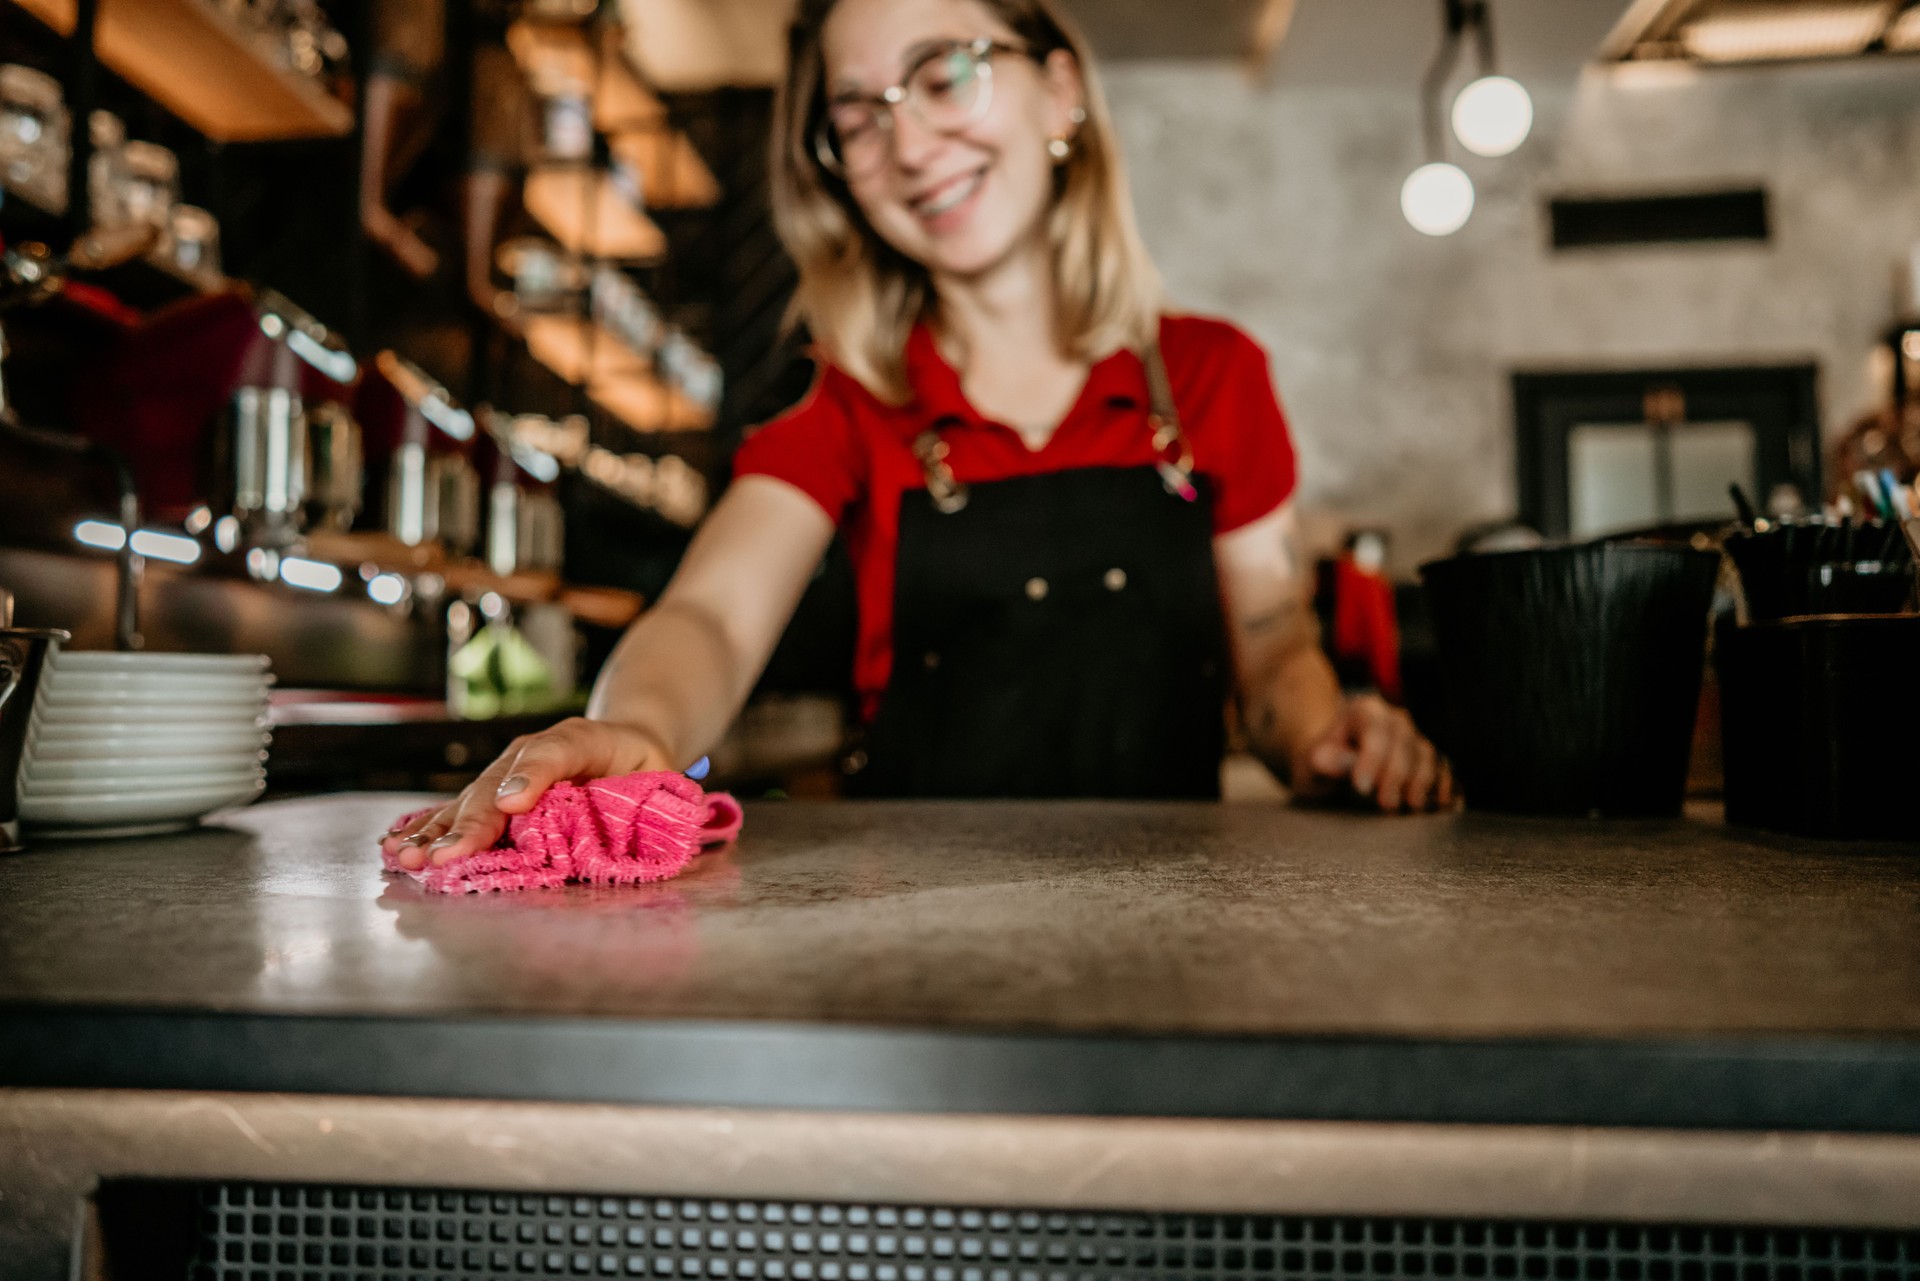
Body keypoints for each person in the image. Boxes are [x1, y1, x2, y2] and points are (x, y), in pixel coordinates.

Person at [385, 0, 1452, 871]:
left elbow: (1272, 643)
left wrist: (1325, 737)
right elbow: (709, 617)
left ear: (1061, 91)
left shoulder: (1212, 376)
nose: (905, 142)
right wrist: (638, 729)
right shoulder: (844, 403)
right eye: (858, 115)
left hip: (1177, 917)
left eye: (945, 73)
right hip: (917, 918)